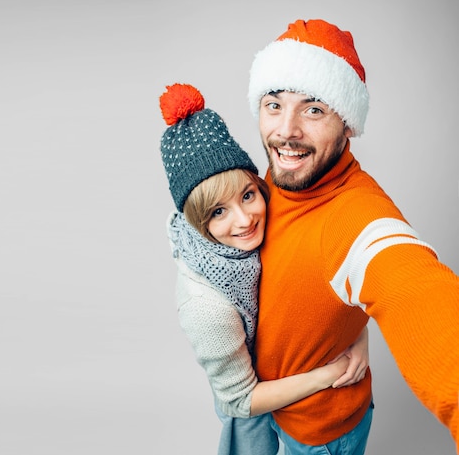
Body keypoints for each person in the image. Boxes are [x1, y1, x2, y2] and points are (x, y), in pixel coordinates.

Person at [246, 18, 459, 453]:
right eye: (273, 104)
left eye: (314, 109)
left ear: (348, 125)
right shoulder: (271, 181)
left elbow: (410, 284)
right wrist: (355, 328)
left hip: (317, 434)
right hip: (264, 412)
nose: (286, 130)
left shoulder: (354, 215)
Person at [158, 82, 370, 455]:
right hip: (261, 400)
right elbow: (239, 401)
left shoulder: (275, 202)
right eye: (218, 212)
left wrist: (357, 338)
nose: (245, 220)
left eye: (247, 195)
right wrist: (329, 373)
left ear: (259, 183)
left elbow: (327, 285)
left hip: (300, 399)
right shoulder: (206, 306)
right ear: (196, 221)